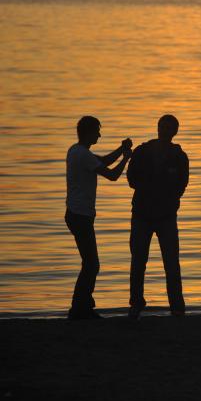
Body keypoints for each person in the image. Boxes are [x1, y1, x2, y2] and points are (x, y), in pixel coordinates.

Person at [66, 116, 132, 319]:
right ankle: (80, 308)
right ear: (88, 132)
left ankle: (82, 306)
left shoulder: (76, 151)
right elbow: (112, 175)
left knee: (90, 263)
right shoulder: (83, 155)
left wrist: (121, 150)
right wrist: (126, 158)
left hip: (77, 214)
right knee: (92, 264)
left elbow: (102, 161)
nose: (99, 135)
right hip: (80, 216)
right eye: (97, 132)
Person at [127, 115, 189, 318]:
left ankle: (177, 307)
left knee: (171, 263)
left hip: (166, 216)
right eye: (162, 127)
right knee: (138, 262)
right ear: (157, 128)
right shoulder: (142, 152)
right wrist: (152, 188)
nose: (165, 131)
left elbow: (182, 184)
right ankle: (136, 304)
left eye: (169, 128)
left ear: (175, 132)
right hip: (142, 214)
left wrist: (166, 196)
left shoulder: (179, 156)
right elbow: (131, 179)